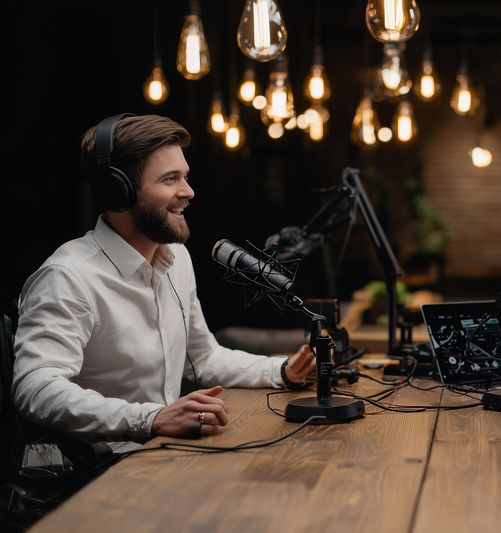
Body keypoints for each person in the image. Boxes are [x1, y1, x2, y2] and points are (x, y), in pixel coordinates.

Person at [12, 114, 316, 447]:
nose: (188, 192)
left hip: (163, 454)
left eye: (185, 177)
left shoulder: (177, 258)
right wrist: (150, 418)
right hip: (101, 467)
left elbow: (202, 358)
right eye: (170, 179)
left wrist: (281, 370)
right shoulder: (68, 277)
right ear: (119, 191)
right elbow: (35, 388)